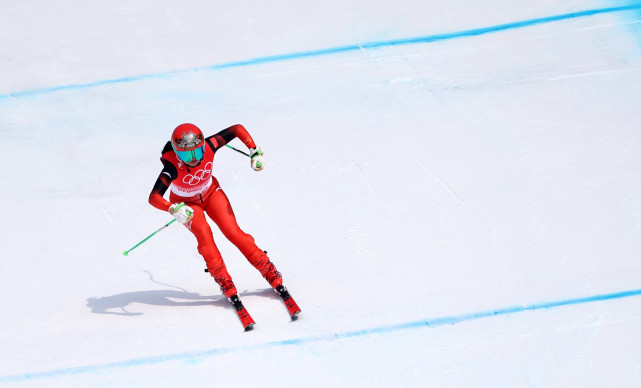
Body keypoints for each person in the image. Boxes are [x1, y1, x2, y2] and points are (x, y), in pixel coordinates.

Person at [148, 123, 299, 328]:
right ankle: (224, 280)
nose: (194, 159)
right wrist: (173, 209)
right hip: (188, 205)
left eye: (197, 152)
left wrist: (254, 151)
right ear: (176, 154)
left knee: (234, 233)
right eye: (186, 156)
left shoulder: (210, 145)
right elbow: (154, 197)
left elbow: (236, 129)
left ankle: (268, 269)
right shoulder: (172, 167)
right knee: (205, 237)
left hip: (212, 193)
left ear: (203, 146)